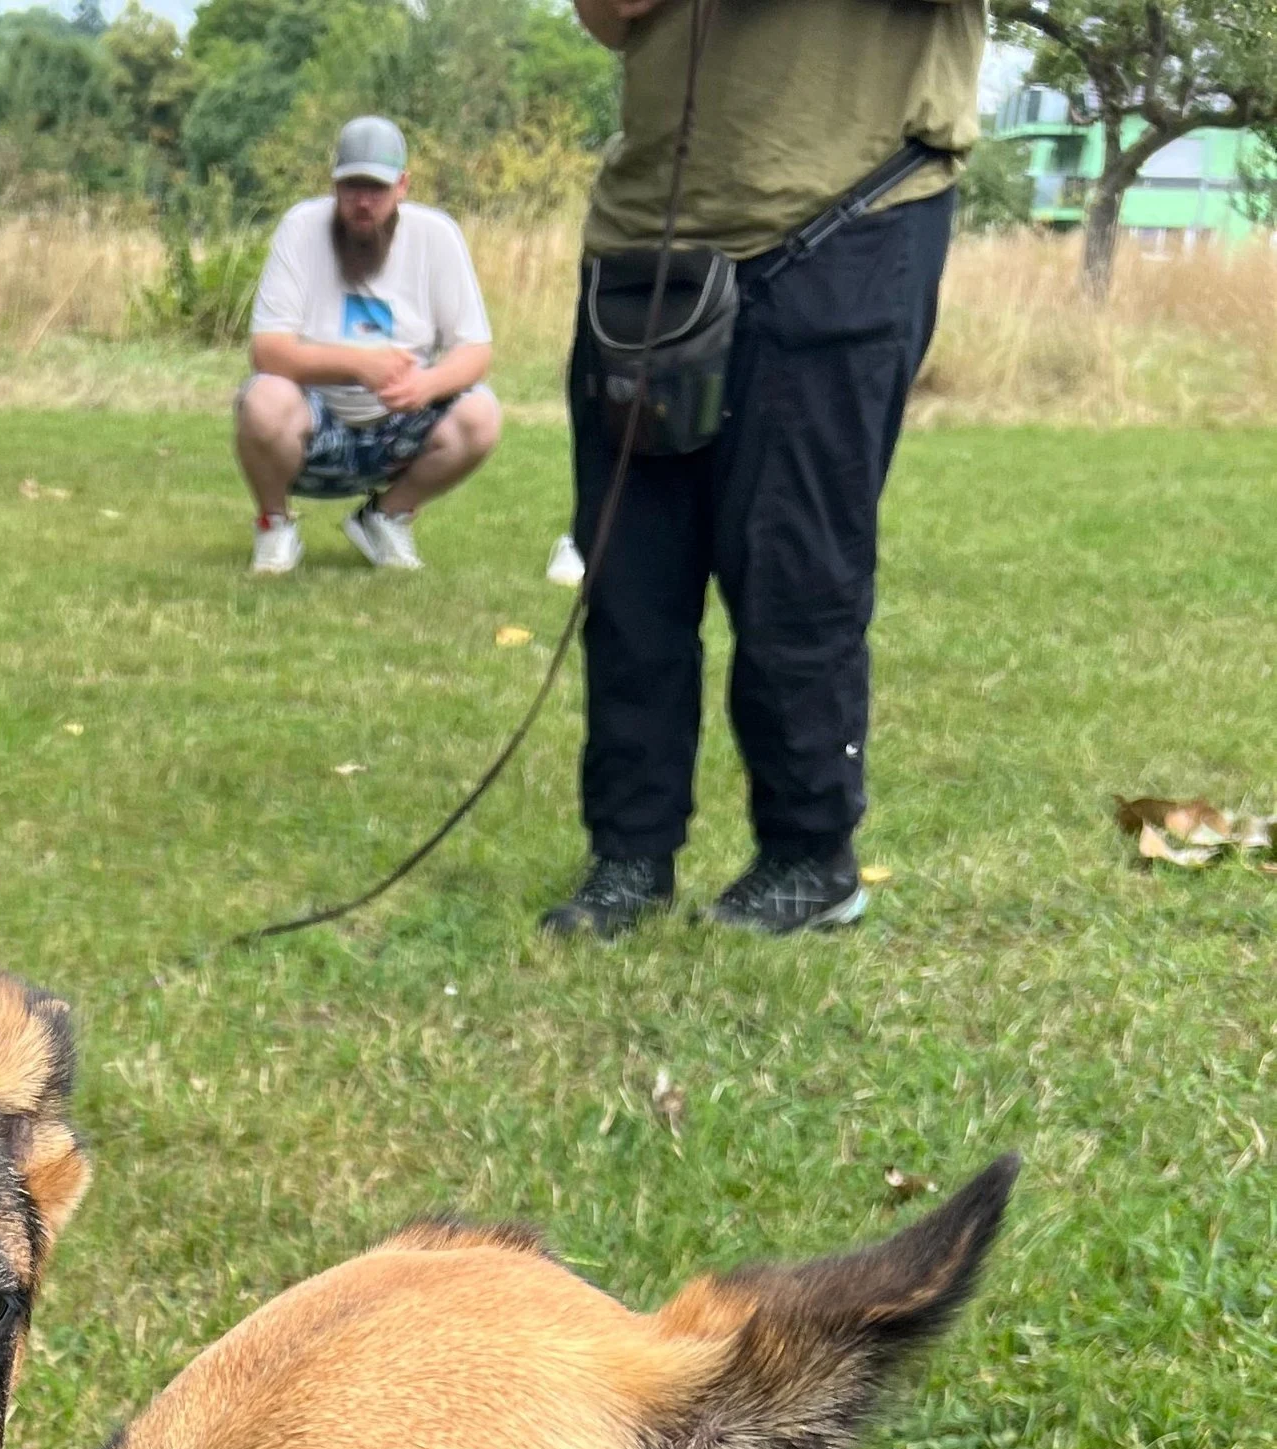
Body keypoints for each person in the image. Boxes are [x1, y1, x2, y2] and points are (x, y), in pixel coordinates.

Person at [543, 0, 984, 937]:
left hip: (843, 212)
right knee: (630, 578)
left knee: (795, 568)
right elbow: (611, 16)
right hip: (647, 235)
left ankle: (808, 858)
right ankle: (629, 854)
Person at [239, 119, 502, 576]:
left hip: (400, 422)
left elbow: (475, 350)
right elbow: (267, 351)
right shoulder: (300, 227)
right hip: (315, 417)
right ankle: (274, 524)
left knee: (482, 414)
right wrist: (358, 365)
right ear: (333, 184)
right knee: (262, 398)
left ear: (402, 185)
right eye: (352, 187)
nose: (363, 202)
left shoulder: (437, 235)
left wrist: (427, 385)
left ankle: (386, 517)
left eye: (376, 189)